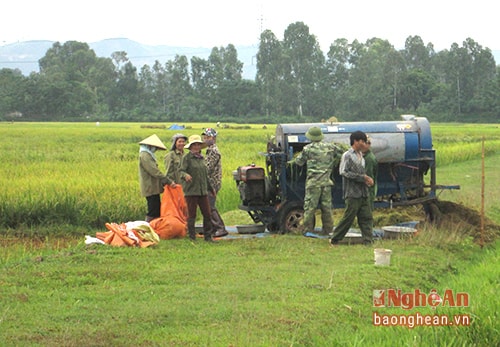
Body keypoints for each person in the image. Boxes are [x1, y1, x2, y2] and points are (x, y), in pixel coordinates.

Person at [288, 126, 344, 235]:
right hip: (326, 183)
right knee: (327, 208)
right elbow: (341, 154)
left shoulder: (308, 149)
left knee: (310, 207)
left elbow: (299, 162)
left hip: (313, 184)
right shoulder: (331, 147)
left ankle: (307, 230)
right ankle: (328, 230)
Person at [330, 130, 375, 246]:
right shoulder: (347, 155)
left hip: (363, 192)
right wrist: (362, 177)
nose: (364, 144)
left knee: (366, 217)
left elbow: (362, 174)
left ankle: (368, 241)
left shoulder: (362, 156)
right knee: (348, 218)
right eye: (362, 141)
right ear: (355, 141)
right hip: (352, 193)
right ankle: (335, 239)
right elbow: (343, 172)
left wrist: (367, 180)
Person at [179, 134, 215, 242]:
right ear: (190, 147)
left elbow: (205, 176)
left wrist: (211, 188)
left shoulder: (201, 158)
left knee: (207, 214)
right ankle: (192, 237)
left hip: (202, 191)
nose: (196, 147)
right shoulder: (187, 158)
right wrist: (186, 176)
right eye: (194, 145)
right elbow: (181, 171)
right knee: (192, 214)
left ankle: (208, 237)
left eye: (198, 145)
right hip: (191, 191)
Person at [138, 134, 171, 222]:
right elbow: (154, 171)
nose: (155, 150)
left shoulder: (148, 154)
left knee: (156, 208)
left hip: (153, 187)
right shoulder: (145, 155)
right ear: (150, 146)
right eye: (155, 148)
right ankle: (147, 228)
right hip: (150, 187)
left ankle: (154, 228)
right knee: (153, 210)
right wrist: (167, 180)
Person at [202, 128, 228, 237]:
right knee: (208, 206)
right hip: (210, 182)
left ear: (213, 138)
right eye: (204, 137)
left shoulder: (213, 151)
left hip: (212, 183)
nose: (205, 139)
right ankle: (213, 228)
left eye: (207, 137)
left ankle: (220, 228)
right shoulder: (210, 150)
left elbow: (207, 168)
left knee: (210, 206)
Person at [363, 136, 378, 211]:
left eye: (366, 143)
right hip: (364, 192)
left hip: (367, 192)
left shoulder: (369, 159)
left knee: (367, 214)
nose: (363, 145)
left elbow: (368, 179)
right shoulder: (363, 156)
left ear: (369, 145)